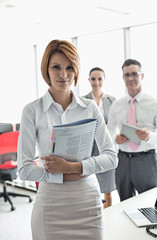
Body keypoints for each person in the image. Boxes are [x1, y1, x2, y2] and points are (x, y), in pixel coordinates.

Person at [17, 39, 118, 240]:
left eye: (69, 67)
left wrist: (74, 167)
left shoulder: (90, 108)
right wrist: (60, 175)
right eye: (56, 67)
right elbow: (24, 168)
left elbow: (111, 157)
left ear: (76, 71)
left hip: (87, 202)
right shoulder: (32, 110)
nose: (63, 74)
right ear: (46, 69)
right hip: (51, 205)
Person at [107, 58, 157, 202]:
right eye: (127, 75)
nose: (131, 78)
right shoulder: (117, 105)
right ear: (123, 78)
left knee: (150, 204)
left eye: (134, 74)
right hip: (122, 161)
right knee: (124, 204)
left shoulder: (154, 103)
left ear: (142, 76)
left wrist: (149, 136)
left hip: (146, 161)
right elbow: (110, 130)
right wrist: (115, 138)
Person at [83, 67, 116, 208]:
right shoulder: (83, 101)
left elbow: (115, 124)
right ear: (89, 80)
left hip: (106, 148)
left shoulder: (112, 100)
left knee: (108, 191)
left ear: (104, 80)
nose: (96, 82)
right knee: (91, 189)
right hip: (89, 149)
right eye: (93, 79)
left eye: (99, 79)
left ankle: (107, 216)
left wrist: (105, 128)